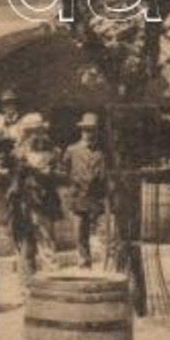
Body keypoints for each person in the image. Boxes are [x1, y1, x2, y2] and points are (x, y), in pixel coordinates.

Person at [4, 115, 65, 277]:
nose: (34, 135)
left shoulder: (53, 152)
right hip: (22, 204)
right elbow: (11, 178)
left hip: (43, 203)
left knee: (47, 243)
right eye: (30, 131)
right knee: (25, 245)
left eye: (37, 131)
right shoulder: (17, 153)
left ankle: (51, 282)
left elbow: (62, 174)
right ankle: (26, 287)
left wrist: (49, 173)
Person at [58, 112, 108, 269]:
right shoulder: (72, 150)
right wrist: (71, 187)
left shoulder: (102, 152)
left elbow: (107, 174)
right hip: (78, 197)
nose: (89, 133)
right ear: (81, 131)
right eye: (86, 130)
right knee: (80, 234)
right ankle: (84, 265)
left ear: (97, 131)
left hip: (98, 198)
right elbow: (62, 170)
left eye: (92, 130)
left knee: (105, 233)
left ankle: (107, 264)